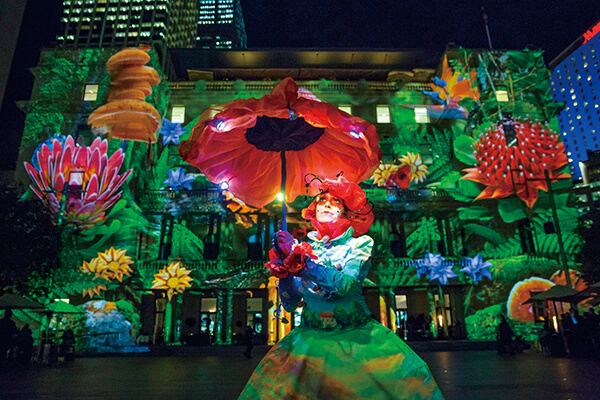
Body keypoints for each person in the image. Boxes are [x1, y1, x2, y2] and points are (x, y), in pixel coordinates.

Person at [239, 176, 443, 399]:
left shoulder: (360, 244)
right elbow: (289, 304)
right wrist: (285, 272)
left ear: (346, 211)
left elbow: (345, 285)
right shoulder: (303, 247)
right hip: (308, 344)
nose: (326, 204)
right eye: (321, 200)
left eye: (335, 201)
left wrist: (304, 264)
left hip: (356, 344)